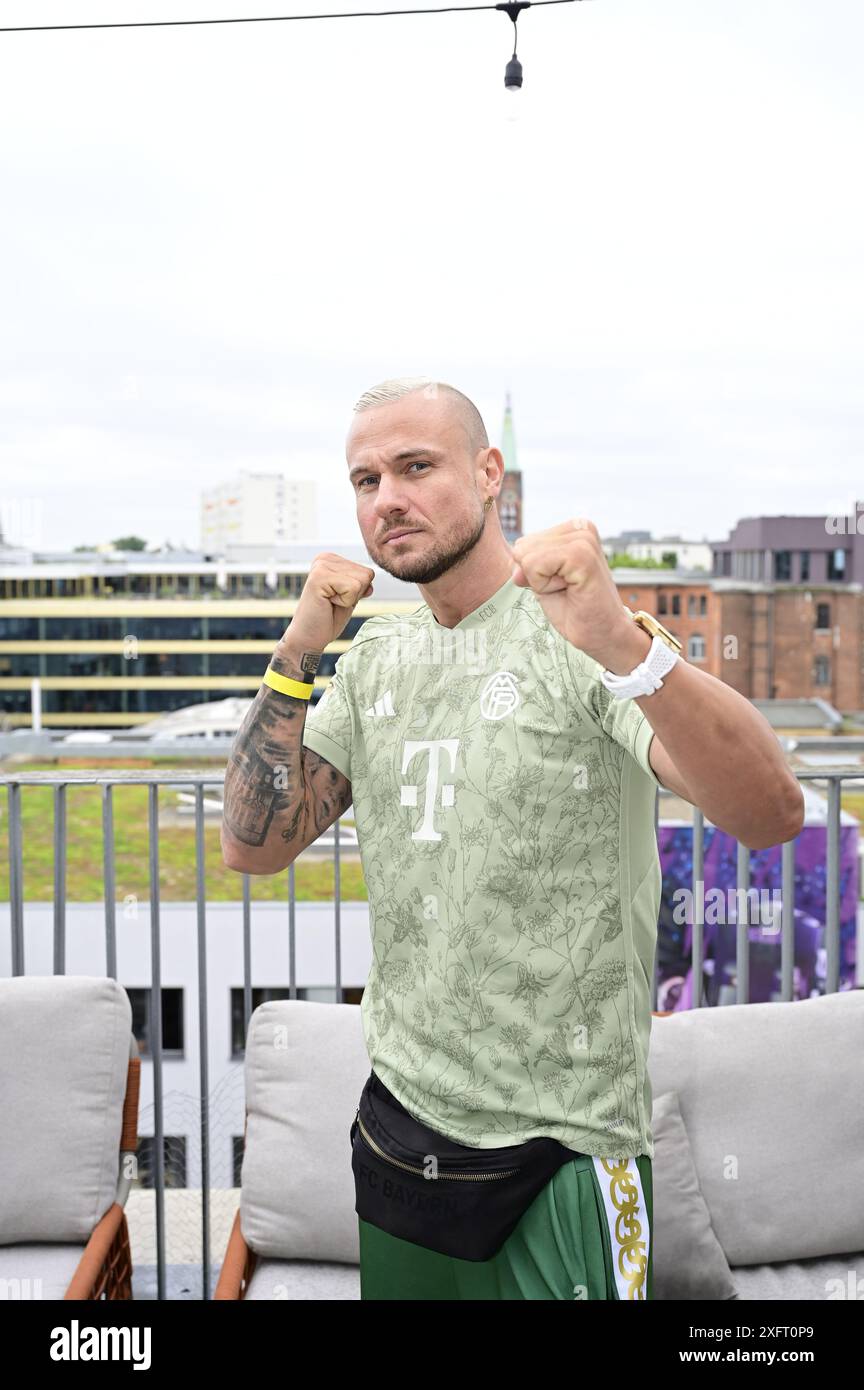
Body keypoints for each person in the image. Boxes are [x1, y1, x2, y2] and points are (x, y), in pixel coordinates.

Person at [221, 375, 805, 1300]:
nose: (389, 499)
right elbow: (254, 845)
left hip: (562, 1151)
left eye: (417, 466)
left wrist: (620, 640)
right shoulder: (377, 659)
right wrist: (300, 648)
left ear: (491, 474)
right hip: (400, 1134)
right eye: (366, 480)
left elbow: (770, 814)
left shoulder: (581, 636)